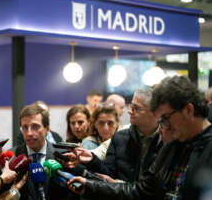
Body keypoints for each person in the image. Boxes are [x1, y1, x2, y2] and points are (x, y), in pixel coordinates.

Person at [67, 76, 212, 200]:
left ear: (188, 110)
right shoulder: (173, 145)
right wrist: (90, 186)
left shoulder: (206, 148)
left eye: (165, 118)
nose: (162, 128)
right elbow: (142, 190)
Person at [64, 88, 161, 183]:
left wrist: (118, 184)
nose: (129, 111)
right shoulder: (119, 137)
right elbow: (107, 171)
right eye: (131, 106)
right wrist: (92, 159)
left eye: (136, 108)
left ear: (154, 112)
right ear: (95, 124)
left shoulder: (166, 138)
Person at [12, 103, 74, 200]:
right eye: (25, 127)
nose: (29, 133)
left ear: (47, 129)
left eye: (35, 127)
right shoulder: (13, 157)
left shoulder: (63, 155)